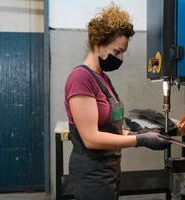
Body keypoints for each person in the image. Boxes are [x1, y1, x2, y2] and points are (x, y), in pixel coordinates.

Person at [64, 4, 169, 200]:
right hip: (91, 176)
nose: (120, 58)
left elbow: (111, 129)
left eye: (123, 53)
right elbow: (91, 138)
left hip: (110, 171)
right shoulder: (80, 78)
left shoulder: (102, 77)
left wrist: (141, 132)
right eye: (117, 51)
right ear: (97, 45)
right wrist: (141, 140)